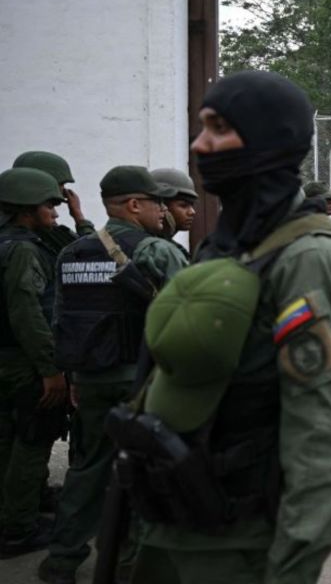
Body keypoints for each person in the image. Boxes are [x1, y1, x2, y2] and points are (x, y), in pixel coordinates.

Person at [118, 71, 331, 583]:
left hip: (235, 537)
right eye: (201, 127)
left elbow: (326, 431)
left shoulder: (309, 259)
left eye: (217, 129)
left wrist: (291, 568)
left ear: (268, 138)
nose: (199, 144)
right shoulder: (230, 243)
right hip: (171, 515)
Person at [40, 165, 188, 582]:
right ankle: (131, 565)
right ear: (134, 204)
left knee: (86, 470)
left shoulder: (72, 253)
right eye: (157, 203)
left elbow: (61, 319)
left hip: (90, 381)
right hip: (142, 382)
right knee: (144, 473)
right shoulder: (156, 251)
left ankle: (62, 560)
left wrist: (70, 376)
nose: (164, 212)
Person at [0, 169, 67, 558]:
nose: (54, 213)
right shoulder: (23, 250)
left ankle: (11, 515)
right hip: (24, 363)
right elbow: (27, 312)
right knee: (31, 440)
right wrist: (50, 369)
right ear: (27, 208)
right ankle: (19, 529)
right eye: (49, 205)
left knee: (7, 440)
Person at [7, 151, 95, 255]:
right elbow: (96, 254)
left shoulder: (24, 227)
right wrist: (80, 219)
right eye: (61, 184)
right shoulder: (33, 235)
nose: (64, 190)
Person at [150, 168, 198, 258]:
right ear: (162, 206)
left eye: (192, 206)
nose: (192, 212)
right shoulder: (152, 250)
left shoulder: (171, 248)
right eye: (183, 205)